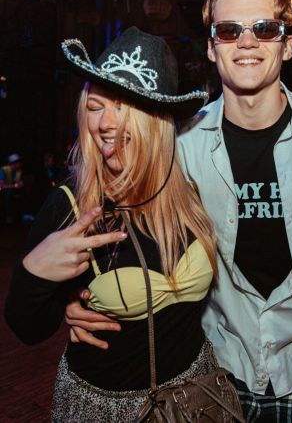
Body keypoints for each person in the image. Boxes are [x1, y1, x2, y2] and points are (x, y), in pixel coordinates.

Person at [64, 0, 292, 422]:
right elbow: (130, 229)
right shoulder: (182, 143)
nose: (247, 41)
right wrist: (72, 298)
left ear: (287, 45)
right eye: (230, 30)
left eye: (265, 28)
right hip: (223, 369)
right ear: (213, 47)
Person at [4, 27, 219, 421]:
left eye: (123, 107)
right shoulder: (69, 205)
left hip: (196, 392)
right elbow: (28, 329)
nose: (105, 123)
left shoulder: (189, 192)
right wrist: (35, 274)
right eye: (95, 106)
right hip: (105, 408)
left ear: (156, 121)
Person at [0, 153, 24, 223]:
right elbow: (1, 186)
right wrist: (14, 186)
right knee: (7, 192)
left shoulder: (18, 171)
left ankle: (21, 215)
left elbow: (19, 182)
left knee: (20, 191)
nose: (20, 163)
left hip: (11, 189)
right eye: (18, 162)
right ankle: (8, 216)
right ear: (13, 163)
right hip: (2, 189)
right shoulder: (3, 170)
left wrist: (21, 184)